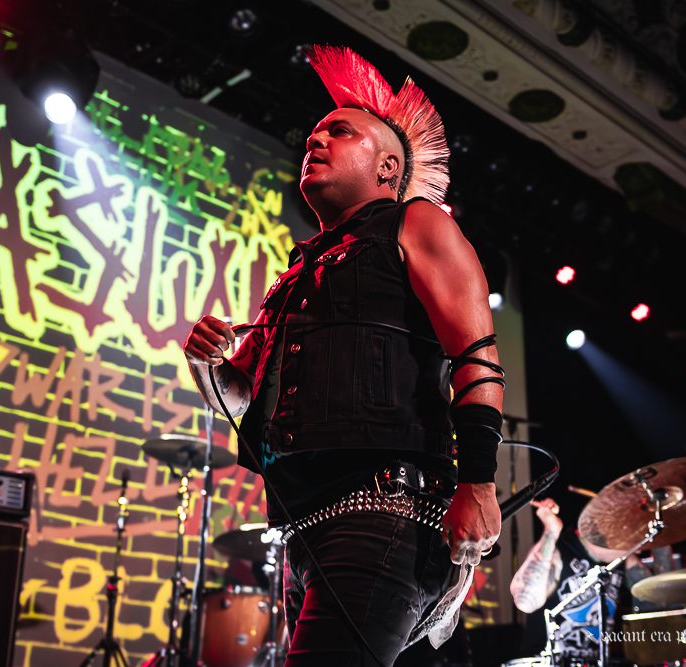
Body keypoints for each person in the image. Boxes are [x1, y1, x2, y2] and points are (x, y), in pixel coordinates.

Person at [183, 45, 504, 667]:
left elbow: (477, 357)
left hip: (386, 510)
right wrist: (207, 365)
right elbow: (241, 401)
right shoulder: (295, 273)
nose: (316, 140)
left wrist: (479, 483)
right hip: (303, 529)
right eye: (313, 135)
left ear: (387, 166)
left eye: (339, 131)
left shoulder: (416, 224)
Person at [510, 497, 658, 665]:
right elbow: (524, 601)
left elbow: (657, 599)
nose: (637, 548)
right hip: (548, 661)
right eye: (631, 537)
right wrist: (551, 530)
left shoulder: (620, 561)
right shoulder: (561, 551)